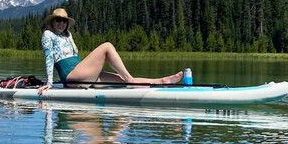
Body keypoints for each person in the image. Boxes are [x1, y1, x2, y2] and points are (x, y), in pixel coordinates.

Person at [38, 8, 183, 94]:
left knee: (123, 80)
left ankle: (162, 81)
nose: (61, 23)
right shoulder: (47, 34)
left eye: (64, 21)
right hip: (72, 77)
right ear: (52, 21)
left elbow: (75, 55)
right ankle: (131, 80)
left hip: (82, 73)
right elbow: (49, 58)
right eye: (58, 20)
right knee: (107, 46)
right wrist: (49, 83)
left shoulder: (68, 35)